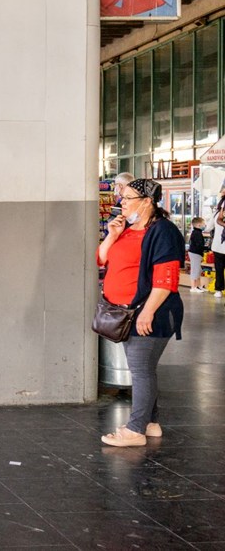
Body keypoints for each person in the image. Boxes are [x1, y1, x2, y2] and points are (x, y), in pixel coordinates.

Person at [96, 178, 184, 447]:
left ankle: (135, 430)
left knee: (141, 371)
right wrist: (111, 236)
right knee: (144, 370)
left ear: (147, 201)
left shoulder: (163, 232)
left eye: (128, 198)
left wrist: (147, 312)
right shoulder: (126, 229)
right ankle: (150, 422)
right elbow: (100, 259)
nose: (122, 203)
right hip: (127, 314)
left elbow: (165, 279)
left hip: (150, 314)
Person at [188, 217, 207, 293]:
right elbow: (199, 245)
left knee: (198, 270)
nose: (204, 225)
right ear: (199, 225)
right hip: (195, 253)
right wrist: (207, 248)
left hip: (196, 253)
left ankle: (198, 286)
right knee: (195, 270)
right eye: (203, 224)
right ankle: (193, 287)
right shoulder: (197, 234)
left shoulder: (196, 232)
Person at [213, 189, 225, 298]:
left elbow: (210, 226)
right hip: (219, 245)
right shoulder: (219, 214)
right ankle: (218, 289)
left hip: (217, 246)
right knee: (219, 269)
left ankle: (218, 290)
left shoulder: (215, 213)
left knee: (219, 269)